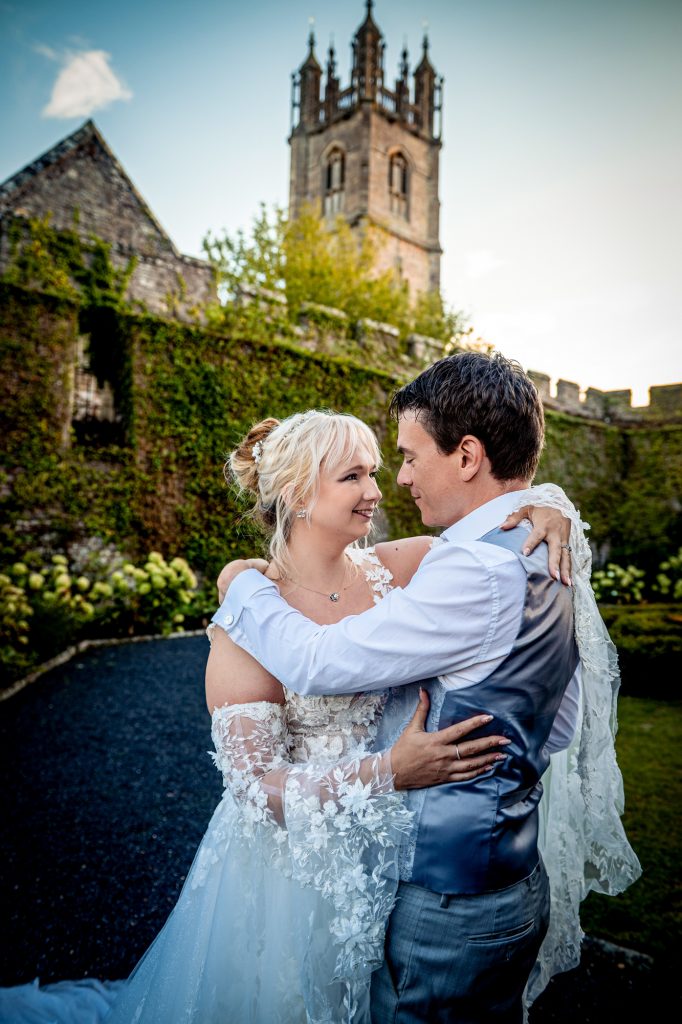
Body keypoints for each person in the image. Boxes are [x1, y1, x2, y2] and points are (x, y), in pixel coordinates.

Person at [0, 405, 573, 1024]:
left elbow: (485, 540)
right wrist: (389, 772)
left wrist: (546, 512)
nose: (378, 492)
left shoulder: (403, 567)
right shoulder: (248, 618)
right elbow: (253, 788)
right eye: (354, 476)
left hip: (399, 865)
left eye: (378, 472)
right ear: (298, 492)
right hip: (294, 879)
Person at [215, 353, 641, 1024]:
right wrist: (552, 505)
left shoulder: (444, 568)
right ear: (296, 493)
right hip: (425, 880)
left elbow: (317, 664)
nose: (393, 483)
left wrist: (236, 583)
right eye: (357, 473)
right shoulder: (525, 549)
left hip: (443, 898)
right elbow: (557, 729)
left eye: (400, 461)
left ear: (467, 455)